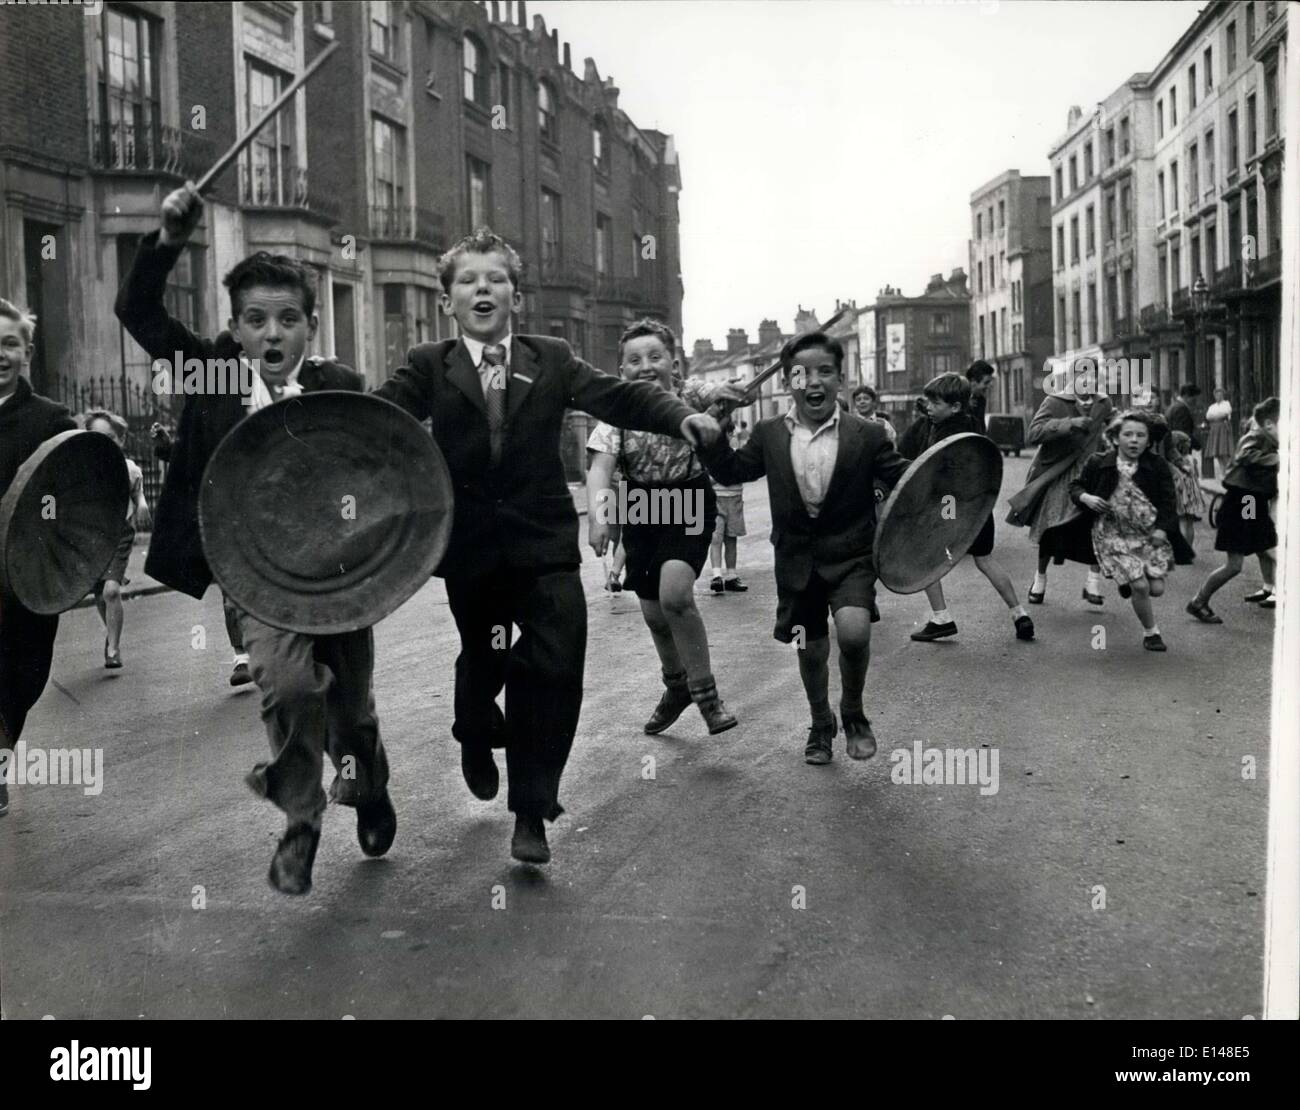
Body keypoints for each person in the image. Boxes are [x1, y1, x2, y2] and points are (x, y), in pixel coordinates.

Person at [373, 228, 720, 865]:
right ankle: (474, 732)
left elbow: (618, 396)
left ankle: (532, 809)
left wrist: (679, 416)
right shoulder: (429, 365)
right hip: (471, 550)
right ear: (447, 300)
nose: (483, 288)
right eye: (467, 281)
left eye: (496, 278)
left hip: (544, 545)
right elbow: (376, 419)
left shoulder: (551, 358)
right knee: (486, 660)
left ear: (515, 297)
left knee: (556, 666)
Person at [116, 183, 394, 895]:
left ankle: (365, 779)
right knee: (288, 685)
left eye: (289, 320)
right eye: (256, 321)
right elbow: (138, 311)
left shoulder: (340, 384)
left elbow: (376, 470)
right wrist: (169, 237)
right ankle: (300, 818)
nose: (273, 335)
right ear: (234, 329)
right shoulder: (211, 373)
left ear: (311, 326)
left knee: (350, 708)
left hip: (339, 576)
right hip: (255, 575)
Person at [700, 332, 910, 765]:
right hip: (796, 561)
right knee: (809, 647)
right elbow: (730, 468)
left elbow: (904, 479)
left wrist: (946, 483)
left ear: (841, 378)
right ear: (787, 381)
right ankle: (820, 722)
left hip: (851, 555)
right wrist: (715, 424)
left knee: (854, 633)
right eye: (800, 372)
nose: (813, 381)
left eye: (825, 371)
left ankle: (853, 711)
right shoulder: (769, 433)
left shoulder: (867, 435)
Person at [586, 319, 740, 737]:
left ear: (674, 363)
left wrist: (726, 394)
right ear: (621, 372)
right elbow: (600, 468)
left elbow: (714, 392)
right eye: (634, 360)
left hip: (688, 498)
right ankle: (676, 687)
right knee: (654, 613)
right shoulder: (616, 413)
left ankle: (707, 697)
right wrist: (600, 518)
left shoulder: (690, 393)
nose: (646, 366)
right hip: (641, 507)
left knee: (675, 595)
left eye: (656, 357)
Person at [0, 298, 78, 817]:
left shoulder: (51, 419)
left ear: (27, 351)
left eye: (9, 342)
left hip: (27, 580)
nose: (0, 353)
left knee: (22, 677)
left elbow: (83, 487)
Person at [907, 373, 1034, 644]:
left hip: (949, 505)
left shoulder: (947, 433)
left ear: (954, 407)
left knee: (926, 558)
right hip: (978, 506)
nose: (929, 407)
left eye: (935, 403)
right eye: (928, 402)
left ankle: (941, 618)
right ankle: (1019, 613)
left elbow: (934, 471)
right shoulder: (971, 425)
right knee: (985, 559)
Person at [1071, 410, 1193, 652]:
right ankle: (1152, 633)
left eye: (1140, 435)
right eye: (1128, 434)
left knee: (1156, 589)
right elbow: (1075, 486)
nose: (1134, 440)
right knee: (1141, 587)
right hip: (1111, 533)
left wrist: (1162, 530)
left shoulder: (1157, 466)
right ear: (1116, 438)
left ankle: (1128, 579)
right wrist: (1086, 497)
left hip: (1148, 534)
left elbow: (1169, 503)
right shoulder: (1099, 462)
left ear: (1149, 440)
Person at [151, 421, 253, 685]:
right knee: (231, 597)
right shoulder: (216, 419)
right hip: (226, 527)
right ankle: (241, 657)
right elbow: (192, 457)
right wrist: (166, 448)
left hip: (260, 520)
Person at [1011, 387, 1116, 605]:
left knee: (1097, 524)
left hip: (1091, 472)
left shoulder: (1104, 403)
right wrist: (1069, 423)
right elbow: (1033, 434)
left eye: (1093, 374)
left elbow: (1113, 428)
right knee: (1050, 526)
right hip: (1060, 470)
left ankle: (1092, 583)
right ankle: (1039, 579)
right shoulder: (1054, 401)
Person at [1187, 396, 1281, 622]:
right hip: (1242, 502)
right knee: (1235, 565)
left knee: (1266, 544)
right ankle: (1198, 601)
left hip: (1248, 501)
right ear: (1269, 424)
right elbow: (1247, 457)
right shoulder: (1257, 437)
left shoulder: (1266, 438)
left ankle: (1269, 588)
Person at [81, 409, 151, 669]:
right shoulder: (80, 468)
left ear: (120, 439)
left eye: (110, 436)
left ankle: (113, 648)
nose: (105, 442)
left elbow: (138, 491)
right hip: (91, 536)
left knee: (111, 590)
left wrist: (142, 504)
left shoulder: (128, 468)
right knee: (101, 594)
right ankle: (111, 634)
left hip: (119, 533)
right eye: (97, 436)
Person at [708, 413, 749, 593]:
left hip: (734, 500)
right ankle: (716, 576)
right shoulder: (711, 455)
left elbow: (743, 473)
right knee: (716, 538)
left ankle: (731, 575)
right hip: (716, 500)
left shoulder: (736, 455)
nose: (730, 437)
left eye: (731, 434)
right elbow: (707, 479)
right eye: (727, 434)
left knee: (731, 539)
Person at [1164, 429, 1207, 548]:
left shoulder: (1173, 464)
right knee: (1190, 523)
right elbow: (1196, 476)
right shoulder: (1192, 459)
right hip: (1192, 494)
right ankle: (1190, 547)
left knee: (1182, 523)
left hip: (1181, 494)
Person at [1203, 387, 1234, 479]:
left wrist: (1216, 416)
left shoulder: (1226, 404)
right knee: (1218, 453)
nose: (1218, 396)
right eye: (1216, 394)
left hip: (1223, 428)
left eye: (1220, 394)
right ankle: (1222, 472)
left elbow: (1225, 413)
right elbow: (1208, 416)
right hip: (1214, 429)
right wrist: (1218, 415)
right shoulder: (1212, 406)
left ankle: (1228, 470)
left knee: (1224, 451)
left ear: (1223, 395)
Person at [965, 359, 996, 432]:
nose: (989, 386)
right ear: (973, 381)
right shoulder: (958, 396)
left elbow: (982, 428)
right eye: (986, 383)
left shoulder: (981, 400)